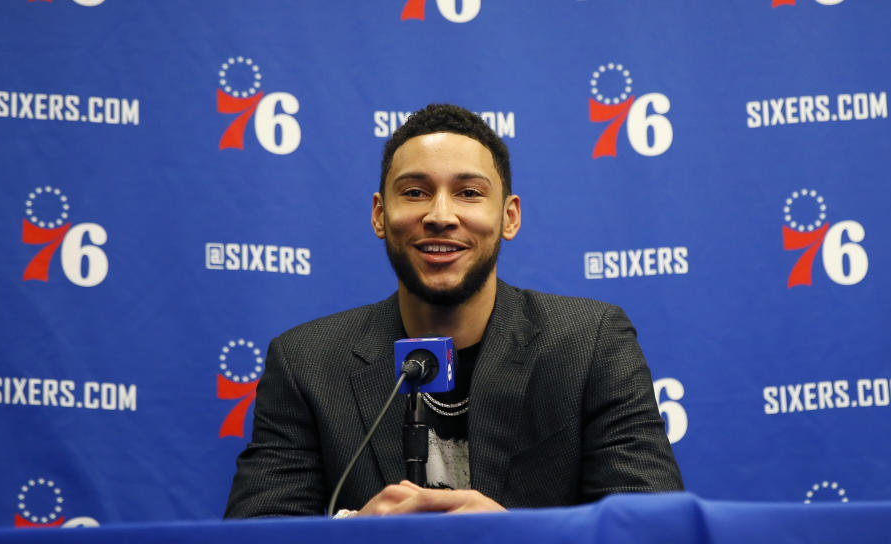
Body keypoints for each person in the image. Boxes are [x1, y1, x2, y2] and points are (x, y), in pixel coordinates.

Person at [224, 104, 683, 518]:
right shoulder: (305, 361)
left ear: (509, 217)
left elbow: (653, 529)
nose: (441, 214)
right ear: (380, 215)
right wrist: (351, 538)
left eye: (468, 193)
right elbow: (256, 533)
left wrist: (514, 538)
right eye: (416, 192)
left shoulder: (591, 343)